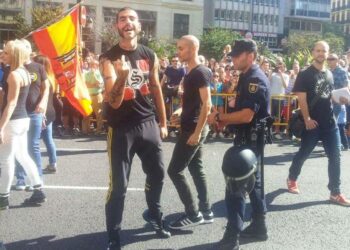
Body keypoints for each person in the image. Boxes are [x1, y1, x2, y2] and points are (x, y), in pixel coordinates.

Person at [99, 7, 170, 250]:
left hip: (148, 123)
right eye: (122, 19)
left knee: (159, 174)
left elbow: (156, 88)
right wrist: (121, 77)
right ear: (116, 26)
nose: (127, 23)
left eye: (131, 19)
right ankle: (113, 235)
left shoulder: (149, 54)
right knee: (119, 186)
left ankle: (154, 216)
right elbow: (114, 101)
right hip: (121, 128)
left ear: (139, 25)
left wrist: (163, 122)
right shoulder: (108, 58)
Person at [208, 39, 270, 250]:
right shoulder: (246, 77)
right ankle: (259, 227)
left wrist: (221, 118)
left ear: (250, 56)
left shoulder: (254, 79)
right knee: (254, 183)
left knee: (236, 185)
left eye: (237, 55)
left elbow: (246, 115)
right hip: (250, 139)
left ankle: (231, 236)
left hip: (249, 139)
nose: (233, 58)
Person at [286, 41, 350, 207]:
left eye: (324, 51)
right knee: (304, 153)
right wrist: (307, 119)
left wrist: (340, 98)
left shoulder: (329, 74)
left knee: (335, 156)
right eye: (318, 50)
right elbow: (302, 99)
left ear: (328, 53)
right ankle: (292, 178)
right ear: (313, 52)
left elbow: (328, 96)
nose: (321, 53)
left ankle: (335, 192)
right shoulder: (305, 74)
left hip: (330, 123)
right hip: (313, 123)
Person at [167, 35, 213, 230]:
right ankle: (207, 211)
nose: (178, 52)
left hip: (193, 130)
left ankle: (193, 214)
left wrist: (197, 132)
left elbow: (207, 104)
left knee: (174, 171)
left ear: (193, 49)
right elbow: (193, 103)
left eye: (181, 48)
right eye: (178, 48)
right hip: (191, 126)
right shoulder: (190, 72)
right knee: (196, 169)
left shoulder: (200, 72)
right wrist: (180, 111)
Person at [0, 40, 46, 210]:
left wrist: (1, 127)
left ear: (14, 55)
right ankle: (38, 189)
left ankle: (3, 198)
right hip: (23, 120)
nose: (2, 55)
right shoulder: (23, 72)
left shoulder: (13, 75)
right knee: (22, 156)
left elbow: (11, 103)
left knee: (6, 160)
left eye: (5, 52)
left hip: (13, 121)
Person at [15, 39, 50, 190]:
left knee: (33, 146)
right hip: (17, 114)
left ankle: (37, 179)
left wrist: (43, 104)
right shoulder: (14, 68)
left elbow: (47, 86)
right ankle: (20, 179)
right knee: (18, 146)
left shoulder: (38, 67)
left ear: (30, 50)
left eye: (26, 47)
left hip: (35, 112)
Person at [32, 54, 58, 173]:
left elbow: (41, 97)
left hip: (42, 111)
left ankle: (33, 165)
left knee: (34, 140)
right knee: (48, 139)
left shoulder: (41, 79)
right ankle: (53, 163)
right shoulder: (51, 77)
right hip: (50, 111)